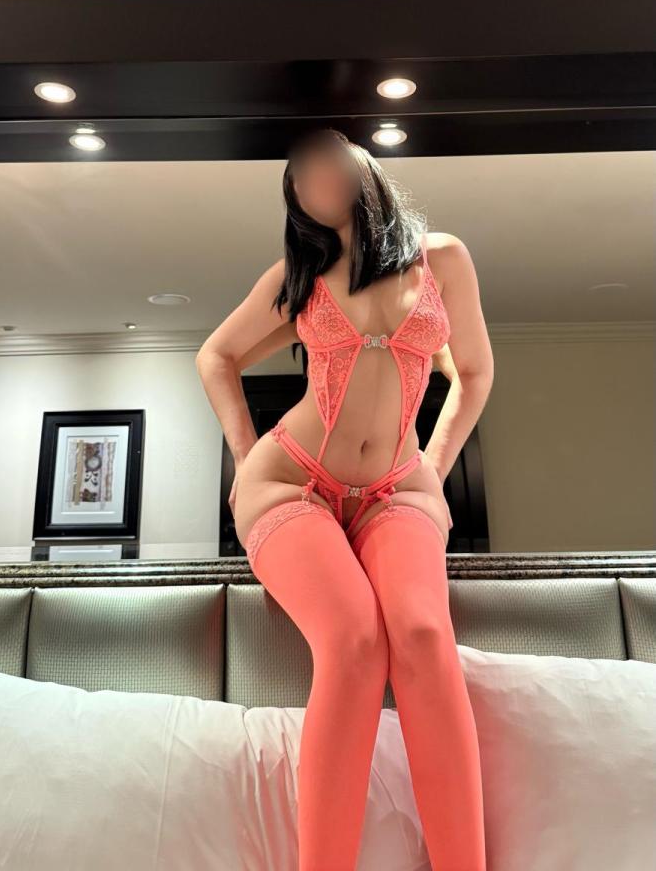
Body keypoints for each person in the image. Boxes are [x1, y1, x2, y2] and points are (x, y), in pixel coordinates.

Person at [196, 127, 494, 871]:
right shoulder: (298, 274)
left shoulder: (442, 259)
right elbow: (216, 355)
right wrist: (245, 457)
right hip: (291, 481)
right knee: (355, 641)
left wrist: (433, 465)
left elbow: (474, 373)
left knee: (422, 636)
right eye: (296, 176)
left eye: (323, 159)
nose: (311, 178)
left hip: (397, 486)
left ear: (364, 165)